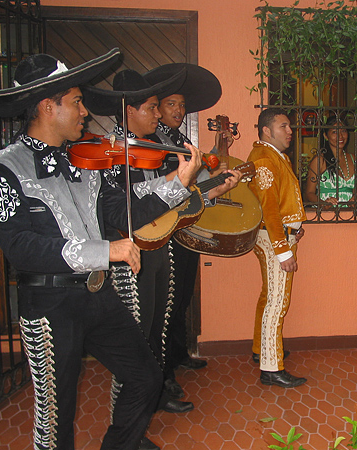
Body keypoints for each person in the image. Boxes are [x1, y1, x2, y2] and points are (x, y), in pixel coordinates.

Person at [0, 49, 205, 450]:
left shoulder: (84, 161)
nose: (84, 111)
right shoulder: (1, 171)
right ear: (49, 107)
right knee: (55, 418)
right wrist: (105, 251)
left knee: (145, 376)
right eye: (76, 101)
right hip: (49, 305)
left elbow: (123, 208)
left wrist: (178, 182)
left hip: (98, 295)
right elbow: (21, 249)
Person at [82, 69, 240, 449]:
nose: (157, 115)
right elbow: (125, 208)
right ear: (128, 110)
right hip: (129, 253)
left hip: (160, 246)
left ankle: (143, 412)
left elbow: (171, 204)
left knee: (155, 330)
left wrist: (212, 190)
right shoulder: (109, 155)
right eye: (152, 107)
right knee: (134, 343)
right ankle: (127, 435)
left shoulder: (156, 150)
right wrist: (178, 185)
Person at [143, 63, 231, 382]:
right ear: (156, 108)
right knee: (166, 303)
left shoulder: (178, 139)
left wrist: (220, 155)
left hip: (185, 227)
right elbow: (168, 188)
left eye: (182, 105)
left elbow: (198, 180)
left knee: (180, 298)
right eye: (170, 104)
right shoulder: (152, 142)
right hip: (165, 232)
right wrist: (208, 185)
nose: (179, 110)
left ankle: (178, 354)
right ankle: (163, 377)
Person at [248, 108, 307, 388]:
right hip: (274, 239)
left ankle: (262, 349)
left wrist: (295, 225)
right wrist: (283, 250)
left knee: (268, 295)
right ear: (266, 131)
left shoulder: (273, 156)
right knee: (277, 302)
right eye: (284, 126)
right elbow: (269, 209)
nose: (290, 131)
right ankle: (271, 368)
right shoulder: (263, 159)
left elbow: (282, 200)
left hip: (278, 234)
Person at [304, 116, 357, 206]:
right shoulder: (320, 160)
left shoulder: (354, 159)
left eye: (343, 131)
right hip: (327, 214)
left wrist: (355, 199)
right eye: (334, 132)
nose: (340, 136)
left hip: (350, 213)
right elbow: (309, 193)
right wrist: (324, 204)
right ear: (326, 136)